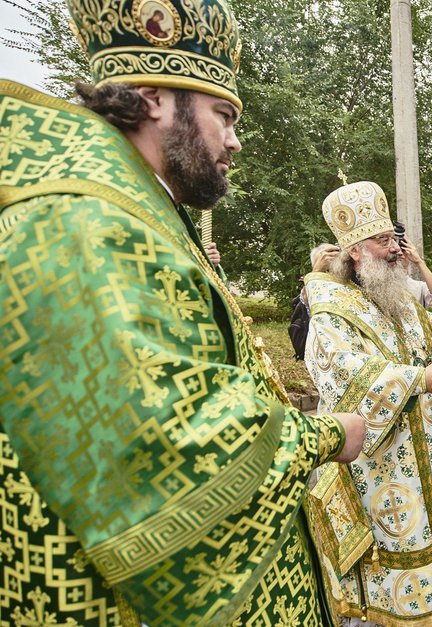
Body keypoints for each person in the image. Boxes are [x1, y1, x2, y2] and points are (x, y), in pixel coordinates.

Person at [0, 1, 366, 625]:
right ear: (152, 99)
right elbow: (163, 439)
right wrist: (330, 435)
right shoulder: (84, 216)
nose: (235, 140)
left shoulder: (125, 197)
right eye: (223, 115)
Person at [303, 181, 432, 626]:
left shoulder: (390, 290)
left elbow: (424, 326)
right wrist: (419, 379)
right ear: (355, 250)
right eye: (383, 241)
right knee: (400, 538)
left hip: (426, 443)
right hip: (384, 459)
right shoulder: (332, 308)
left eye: (394, 239)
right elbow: (342, 371)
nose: (395, 248)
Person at [394, 220, 432, 309]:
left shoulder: (417, 287)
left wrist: (418, 261)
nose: (400, 254)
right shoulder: (378, 284)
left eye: (404, 250)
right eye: (396, 251)